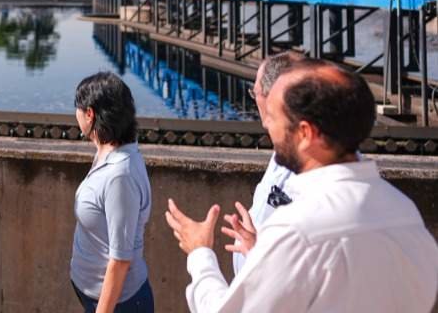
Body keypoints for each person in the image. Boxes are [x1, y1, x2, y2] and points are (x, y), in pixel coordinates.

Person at [165, 59, 438, 312]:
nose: (268, 126)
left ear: (306, 134)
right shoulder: (404, 213)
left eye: (273, 117)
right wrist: (264, 255)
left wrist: (200, 254)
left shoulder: (298, 231)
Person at [70, 72, 154, 312]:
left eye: (77, 107)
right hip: (97, 295)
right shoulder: (109, 150)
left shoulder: (120, 176)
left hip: (119, 304)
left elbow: (120, 258)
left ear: (90, 114)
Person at [227, 51, 304, 275]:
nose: (256, 101)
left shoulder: (306, 166)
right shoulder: (281, 151)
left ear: (271, 96)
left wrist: (201, 257)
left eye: (255, 92)